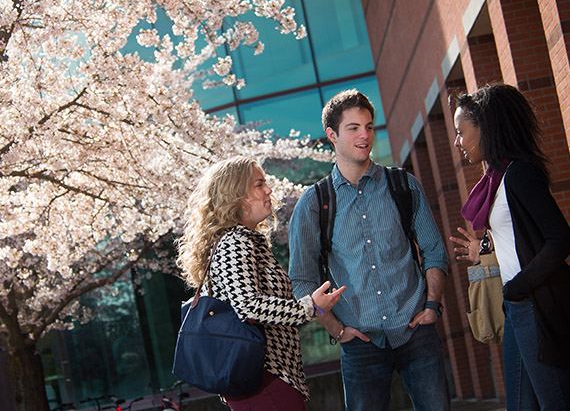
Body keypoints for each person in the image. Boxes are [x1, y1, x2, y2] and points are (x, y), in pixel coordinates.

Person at [288, 89, 450, 411]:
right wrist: (337, 329)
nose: (365, 135)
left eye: (369, 126)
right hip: (359, 343)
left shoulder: (403, 185)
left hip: (416, 332)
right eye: (353, 128)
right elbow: (302, 282)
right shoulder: (313, 204)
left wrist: (433, 305)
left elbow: (434, 250)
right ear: (332, 135)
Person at [176, 156, 345, 411]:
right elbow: (248, 306)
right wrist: (310, 307)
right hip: (264, 378)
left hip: (267, 377)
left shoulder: (246, 240)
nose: (269, 190)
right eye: (259, 184)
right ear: (237, 195)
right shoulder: (236, 241)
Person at [449, 83, 570, 410]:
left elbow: (559, 238)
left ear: (485, 127)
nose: (458, 141)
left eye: (462, 131)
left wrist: (519, 286)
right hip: (516, 306)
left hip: (535, 304)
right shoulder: (497, 180)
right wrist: (484, 250)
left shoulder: (519, 174)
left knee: (555, 403)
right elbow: (516, 238)